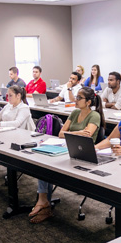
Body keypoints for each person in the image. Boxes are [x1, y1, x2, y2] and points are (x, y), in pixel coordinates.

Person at [31, 87, 104, 223]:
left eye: (79, 98)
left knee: (49, 166)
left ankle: (44, 204)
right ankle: (43, 201)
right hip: (66, 148)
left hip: (83, 153)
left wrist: (72, 133)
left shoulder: (94, 115)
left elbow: (87, 135)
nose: (75, 100)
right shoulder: (75, 112)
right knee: (44, 162)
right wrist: (78, 132)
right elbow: (60, 133)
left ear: (88, 102)